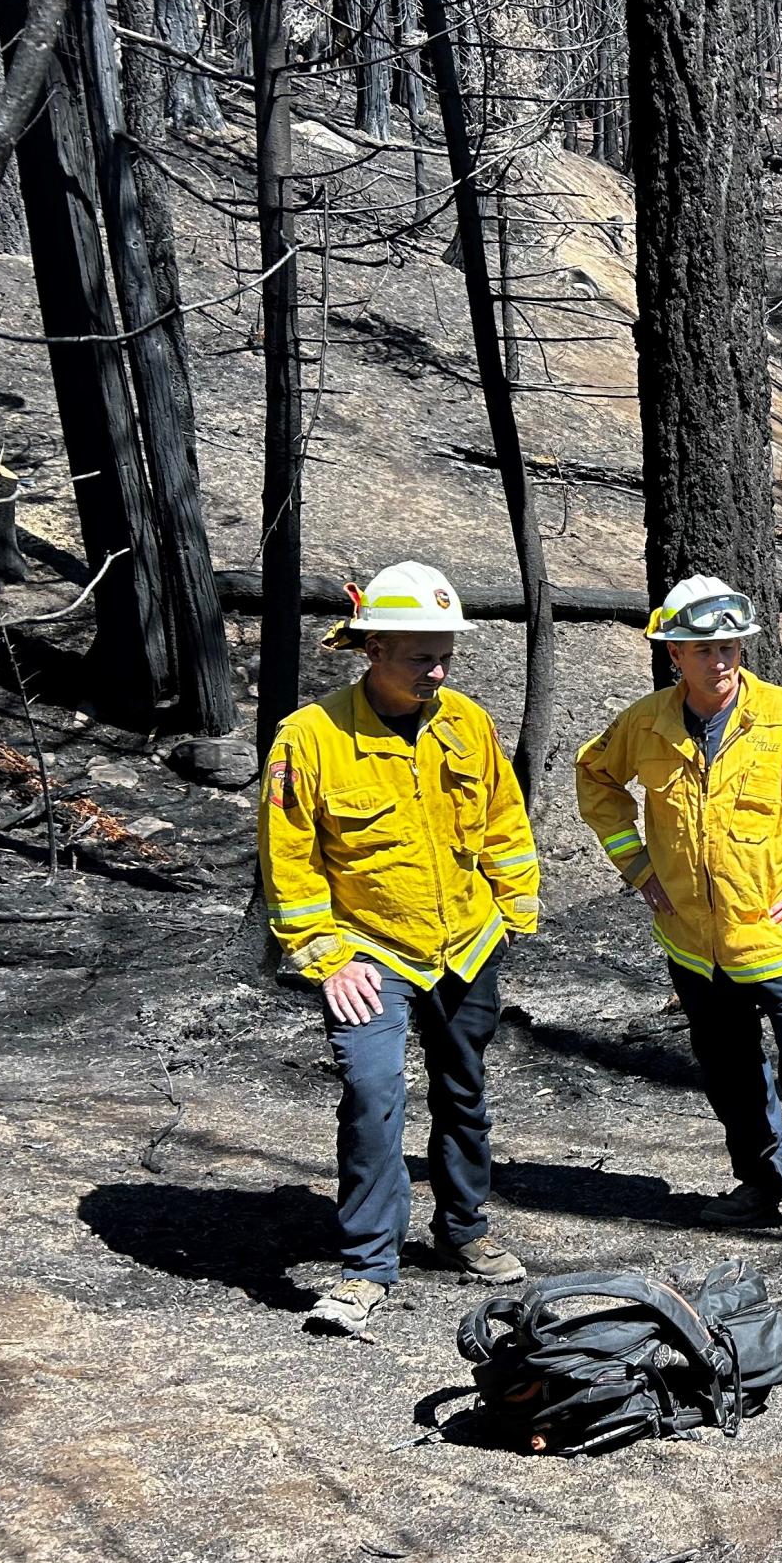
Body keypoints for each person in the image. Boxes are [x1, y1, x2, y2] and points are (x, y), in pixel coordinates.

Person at [259, 562, 542, 1336]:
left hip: (466, 941)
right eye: (421, 656)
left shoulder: (467, 723)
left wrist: (516, 906)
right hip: (366, 950)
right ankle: (366, 1267)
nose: (438, 669)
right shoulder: (309, 740)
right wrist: (323, 953)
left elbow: (502, 820)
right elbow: (289, 859)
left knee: (464, 1089)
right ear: (371, 647)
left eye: (445, 652)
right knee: (374, 1093)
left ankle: (463, 1229)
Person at [574, 575, 782, 1249]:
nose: (719, 661)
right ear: (675, 655)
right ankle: (760, 1183)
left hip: (780, 940)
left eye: (729, 648)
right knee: (730, 1071)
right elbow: (596, 780)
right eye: (702, 650)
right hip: (693, 943)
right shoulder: (646, 724)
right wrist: (636, 868)